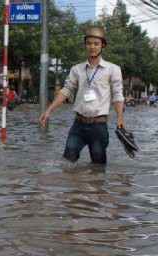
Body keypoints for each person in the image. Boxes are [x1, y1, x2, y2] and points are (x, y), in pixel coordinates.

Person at [39, 27, 126, 165]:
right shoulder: (76, 69)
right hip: (78, 125)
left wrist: (120, 118)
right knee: (67, 162)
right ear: (85, 45)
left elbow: (118, 95)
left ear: (103, 46)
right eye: (89, 43)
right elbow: (65, 91)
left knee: (98, 168)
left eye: (96, 44)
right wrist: (48, 111)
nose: (92, 47)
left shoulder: (113, 69)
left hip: (99, 126)